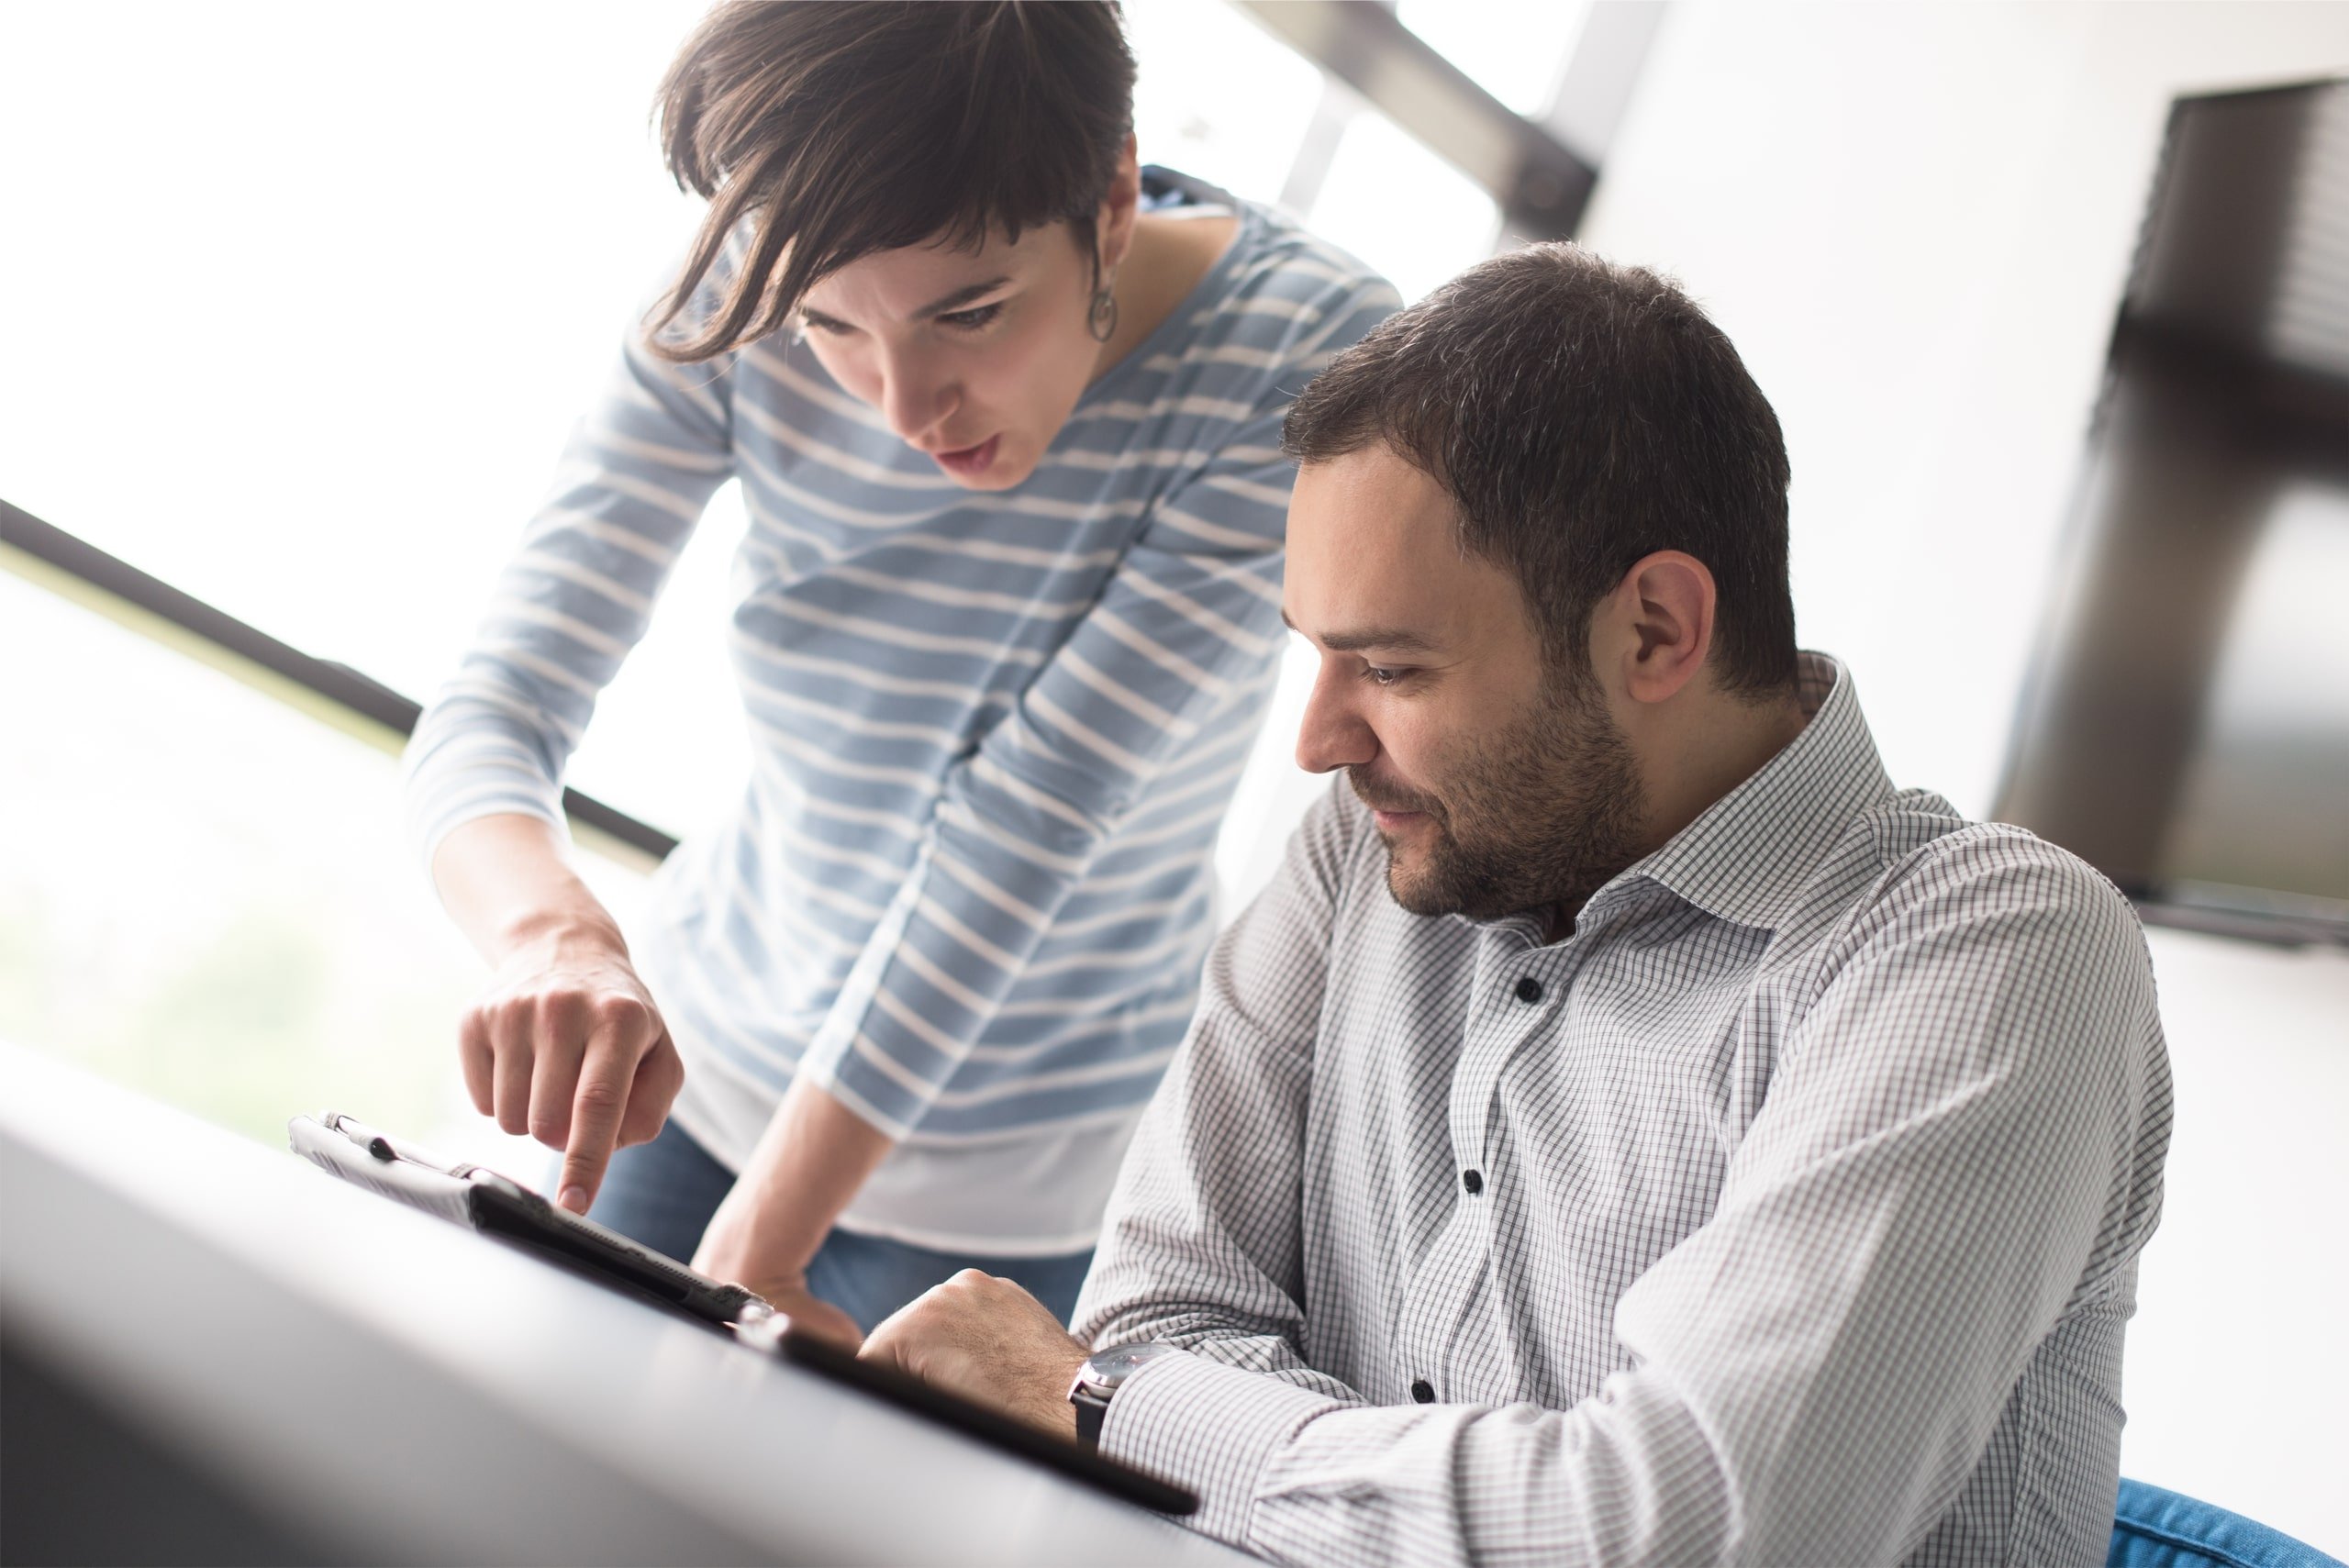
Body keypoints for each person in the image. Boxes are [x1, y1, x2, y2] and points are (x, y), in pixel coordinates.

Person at [857, 243, 2176, 1567]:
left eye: (1390, 664)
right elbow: (1158, 1316)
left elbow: (1681, 1535)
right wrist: (1470, 1499)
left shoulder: (1992, 951)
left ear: (1655, 629)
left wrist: (1121, 1414)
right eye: (1316, 656)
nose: (1317, 740)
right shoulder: (1364, 849)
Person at [401, 0, 1397, 1343]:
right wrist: (552, 932)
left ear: (1109, 192)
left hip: (1024, 1182)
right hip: (703, 1063)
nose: (902, 404)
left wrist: (771, 1230)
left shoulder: (1299, 353)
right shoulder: (745, 277)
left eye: (970, 314)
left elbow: (1028, 821)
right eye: (833, 329)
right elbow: (499, 696)